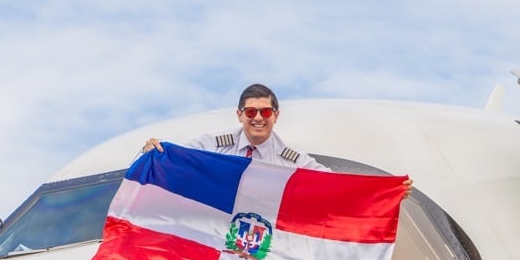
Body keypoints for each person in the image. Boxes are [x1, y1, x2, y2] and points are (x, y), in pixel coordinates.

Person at [143, 83, 413, 192]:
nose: (258, 117)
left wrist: (383, 190)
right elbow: (177, 158)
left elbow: (331, 183)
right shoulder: (214, 145)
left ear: (276, 115)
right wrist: (153, 152)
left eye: (265, 111)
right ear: (239, 115)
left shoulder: (290, 160)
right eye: (251, 111)